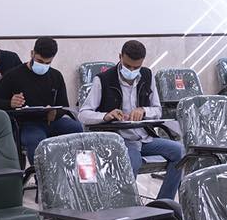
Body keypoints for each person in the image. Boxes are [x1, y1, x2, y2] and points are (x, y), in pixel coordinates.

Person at [77, 40, 185, 202]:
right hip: (120, 140)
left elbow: (157, 110)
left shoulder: (147, 76)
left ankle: (163, 203)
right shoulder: (103, 80)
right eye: (128, 66)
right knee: (132, 161)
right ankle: (127, 207)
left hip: (144, 138)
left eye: (136, 67)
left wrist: (144, 110)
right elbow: (83, 114)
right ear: (120, 57)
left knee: (180, 152)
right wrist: (106, 116)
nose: (132, 71)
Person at [0, 36, 83, 163]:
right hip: (27, 124)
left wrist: (55, 113)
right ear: (32, 53)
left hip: (51, 122)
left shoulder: (56, 76)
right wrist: (10, 103)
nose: (43, 65)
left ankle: (73, 170)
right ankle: (41, 174)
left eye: (47, 63)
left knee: (76, 128)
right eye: (39, 61)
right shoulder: (13, 75)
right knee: (36, 140)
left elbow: (63, 106)